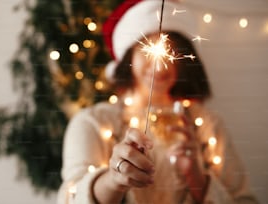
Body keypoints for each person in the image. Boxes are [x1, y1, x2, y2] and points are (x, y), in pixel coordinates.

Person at [57, 0, 259, 203]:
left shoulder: (208, 125)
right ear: (129, 56)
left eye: (172, 54)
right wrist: (113, 181)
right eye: (147, 52)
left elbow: (245, 200)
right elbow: (70, 198)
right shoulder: (92, 123)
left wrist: (197, 179)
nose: (161, 68)